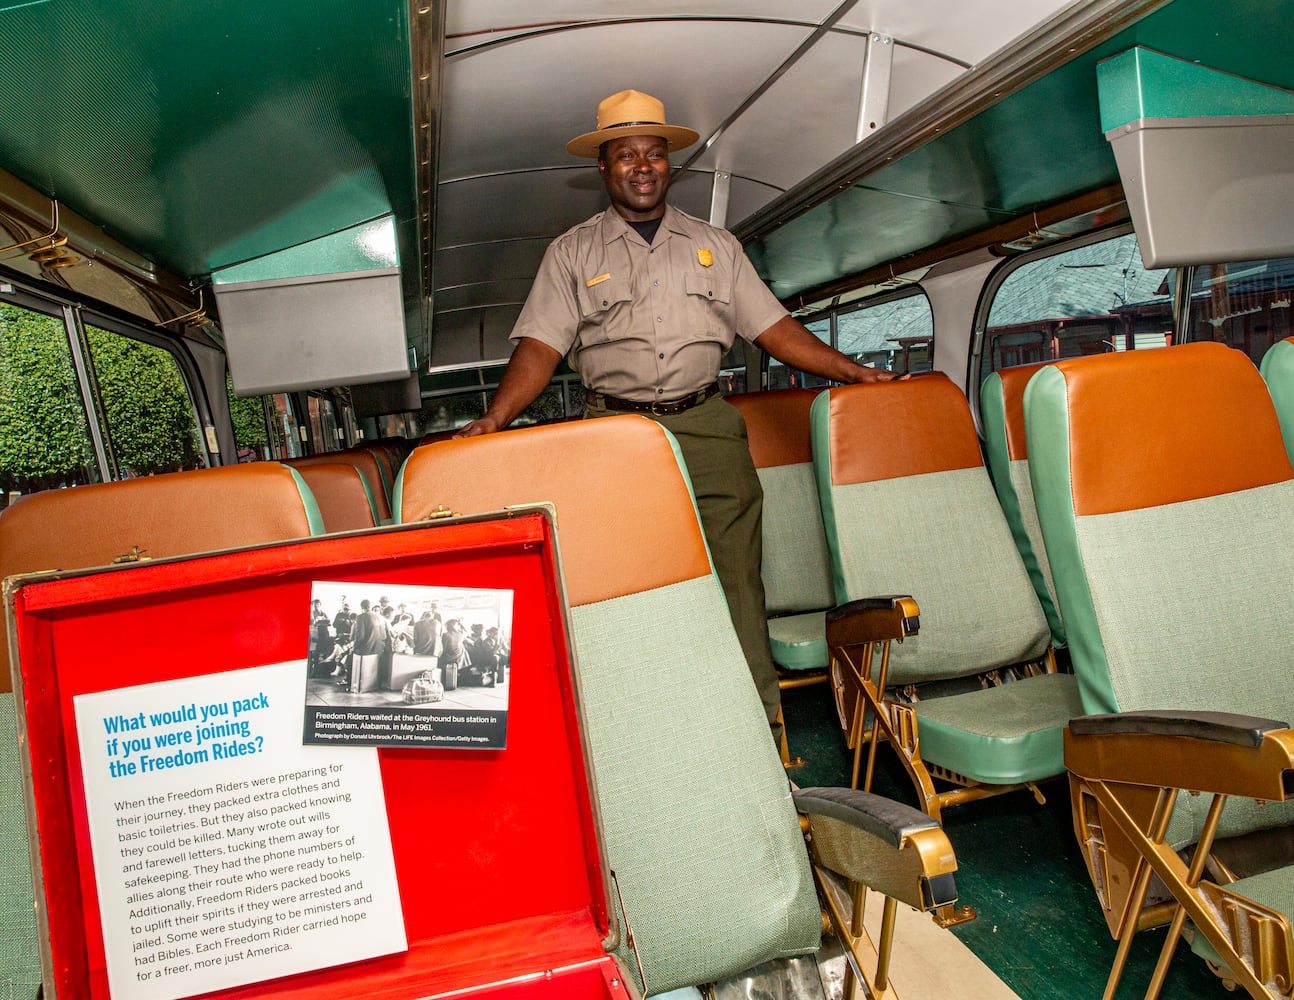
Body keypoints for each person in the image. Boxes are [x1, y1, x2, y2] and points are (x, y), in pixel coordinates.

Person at [455, 90, 898, 743]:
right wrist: (496, 417)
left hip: (706, 423)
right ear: (604, 169)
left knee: (738, 577)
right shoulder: (572, 254)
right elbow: (541, 348)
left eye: (654, 154)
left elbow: (774, 330)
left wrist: (852, 370)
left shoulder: (715, 246)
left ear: (669, 166)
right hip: (614, 434)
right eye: (627, 155)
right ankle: (644, 728)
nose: (643, 166)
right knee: (625, 578)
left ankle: (758, 728)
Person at [349, 599, 391, 694]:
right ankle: (376, 685)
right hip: (379, 648)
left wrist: (354, 647)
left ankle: (353, 685)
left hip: (366, 649)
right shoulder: (381, 617)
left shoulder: (361, 617)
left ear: (362, 607)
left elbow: (360, 636)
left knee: (349, 659)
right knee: (376, 670)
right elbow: (385, 634)